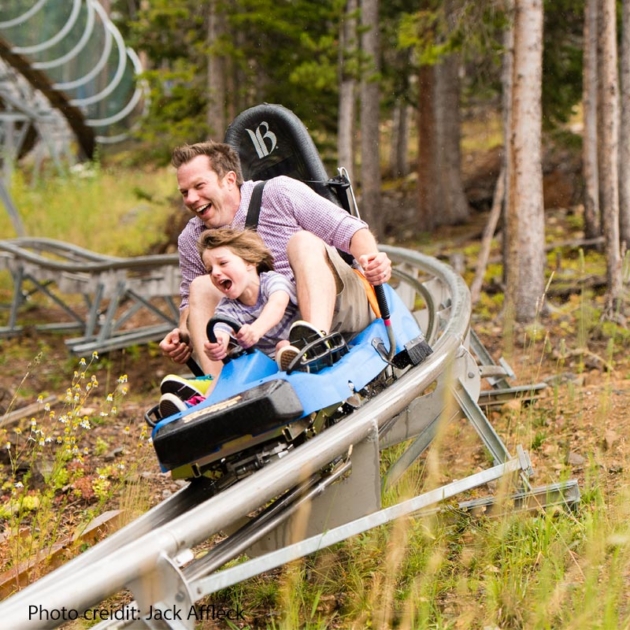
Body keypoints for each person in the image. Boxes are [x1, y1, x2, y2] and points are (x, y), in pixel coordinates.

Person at [158, 141, 392, 377]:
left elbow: (350, 231)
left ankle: (314, 347)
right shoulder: (191, 238)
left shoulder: (278, 192)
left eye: (199, 186)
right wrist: (183, 333)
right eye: (185, 192)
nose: (191, 198)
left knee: (302, 242)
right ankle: (220, 387)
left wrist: (372, 261)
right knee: (201, 285)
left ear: (229, 180)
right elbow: (191, 301)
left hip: (334, 308)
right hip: (264, 330)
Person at [159, 227, 299, 417]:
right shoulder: (228, 307)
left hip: (290, 347)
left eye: (223, 263)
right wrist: (217, 345)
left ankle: (295, 365)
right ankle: (200, 406)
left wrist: (256, 330)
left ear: (250, 261)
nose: (216, 273)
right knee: (229, 368)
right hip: (261, 365)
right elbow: (221, 330)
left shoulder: (272, 282)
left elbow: (277, 304)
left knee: (283, 346)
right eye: (210, 270)